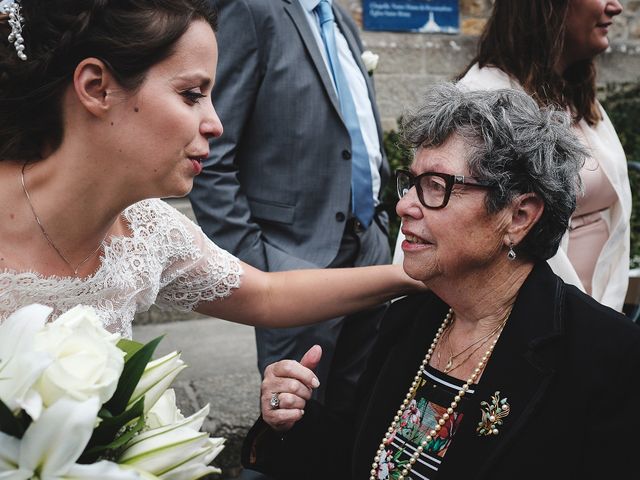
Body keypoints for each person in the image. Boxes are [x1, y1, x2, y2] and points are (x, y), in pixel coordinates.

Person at [241, 85, 640, 479]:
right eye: (412, 182)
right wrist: (292, 418)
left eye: (437, 186)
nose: (403, 205)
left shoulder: (605, 356)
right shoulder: (411, 319)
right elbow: (360, 458)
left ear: (518, 216)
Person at [0, 0, 421, 342]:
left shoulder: (149, 231)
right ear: (97, 88)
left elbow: (268, 297)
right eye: (191, 94)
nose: (216, 124)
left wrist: (414, 275)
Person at [188, 0, 391, 408]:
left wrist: (381, 232)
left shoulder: (339, 21)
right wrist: (256, 266)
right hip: (293, 260)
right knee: (296, 423)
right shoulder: (251, 11)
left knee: (359, 411)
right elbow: (210, 155)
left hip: (370, 250)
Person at [393, 0, 632, 313]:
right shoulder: (482, 107)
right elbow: (430, 223)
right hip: (527, 318)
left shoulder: (575, 97)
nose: (615, 6)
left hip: (597, 308)